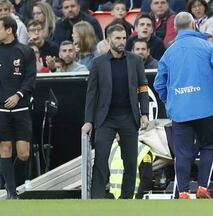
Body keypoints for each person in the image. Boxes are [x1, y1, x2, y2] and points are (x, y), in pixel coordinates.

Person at [154, 12, 213, 199]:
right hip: (206, 109)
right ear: (193, 25)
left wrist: (169, 99)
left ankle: (183, 192)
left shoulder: (169, 52)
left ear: (175, 28)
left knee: (182, 153)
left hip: (180, 111)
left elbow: (159, 83)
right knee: (208, 147)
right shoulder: (206, 46)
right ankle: (203, 188)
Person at [82, 24, 149, 199]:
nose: (121, 42)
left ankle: (126, 200)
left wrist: (145, 113)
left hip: (129, 117)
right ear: (108, 40)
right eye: (117, 38)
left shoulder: (136, 61)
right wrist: (88, 121)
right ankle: (96, 198)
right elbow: (91, 94)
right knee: (101, 160)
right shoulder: (98, 63)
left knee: (130, 162)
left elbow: (143, 88)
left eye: (124, 38)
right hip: (106, 119)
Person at [0, 15, 36, 199]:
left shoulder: (25, 51)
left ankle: (9, 181)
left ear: (9, 30)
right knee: (4, 148)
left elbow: (30, 78)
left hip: (21, 108)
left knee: (23, 154)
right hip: (1, 111)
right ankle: (11, 193)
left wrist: (18, 95)